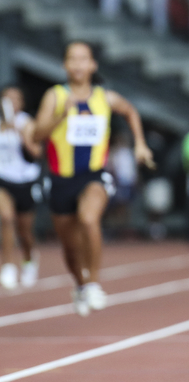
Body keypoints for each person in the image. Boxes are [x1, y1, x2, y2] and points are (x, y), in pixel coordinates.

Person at [33, 41, 154, 316]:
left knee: (89, 219)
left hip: (94, 175)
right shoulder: (54, 96)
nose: (77, 64)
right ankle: (80, 284)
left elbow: (131, 111)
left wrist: (141, 144)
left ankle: (94, 284)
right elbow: (36, 136)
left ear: (92, 65)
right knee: (70, 247)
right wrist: (59, 116)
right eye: (72, 59)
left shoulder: (105, 97)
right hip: (61, 179)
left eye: (83, 59)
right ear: (64, 65)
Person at [0, 86, 43, 290]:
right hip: (3, 179)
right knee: (6, 218)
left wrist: (19, 133)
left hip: (25, 180)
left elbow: (36, 152)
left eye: (16, 98)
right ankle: (8, 265)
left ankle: (28, 258)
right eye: (7, 98)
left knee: (25, 230)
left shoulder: (27, 123)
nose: (12, 102)